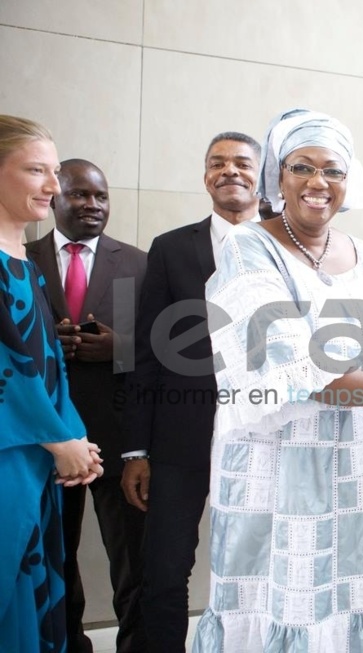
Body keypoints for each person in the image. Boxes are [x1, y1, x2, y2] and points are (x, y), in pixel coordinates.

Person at [192, 108, 363, 652]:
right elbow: (295, 374)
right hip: (274, 469)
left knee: (352, 599)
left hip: (359, 469)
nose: (317, 182)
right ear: (276, 177)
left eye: (333, 170)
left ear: (349, 181)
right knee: (282, 603)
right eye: (301, 167)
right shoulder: (246, 247)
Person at [122, 131, 261, 652]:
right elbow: (146, 355)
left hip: (263, 438)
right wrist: (136, 449)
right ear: (205, 175)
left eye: (242, 163)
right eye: (217, 163)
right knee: (163, 574)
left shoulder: (287, 245)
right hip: (180, 443)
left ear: (260, 174)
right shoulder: (171, 248)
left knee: (259, 574)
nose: (230, 171)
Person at [26, 159, 148, 653]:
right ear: (54, 197)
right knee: (54, 554)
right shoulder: (20, 255)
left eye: (100, 196)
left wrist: (118, 348)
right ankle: (68, 643)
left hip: (120, 440)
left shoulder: (140, 263)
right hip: (47, 437)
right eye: (79, 195)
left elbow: (171, 349)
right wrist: (45, 343)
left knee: (133, 560)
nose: (92, 205)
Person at [0, 115, 103, 653]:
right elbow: (4, 369)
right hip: (9, 456)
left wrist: (74, 437)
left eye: (54, 171)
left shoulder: (25, 262)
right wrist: (56, 439)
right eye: (36, 170)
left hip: (41, 456)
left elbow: (47, 363)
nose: (52, 186)